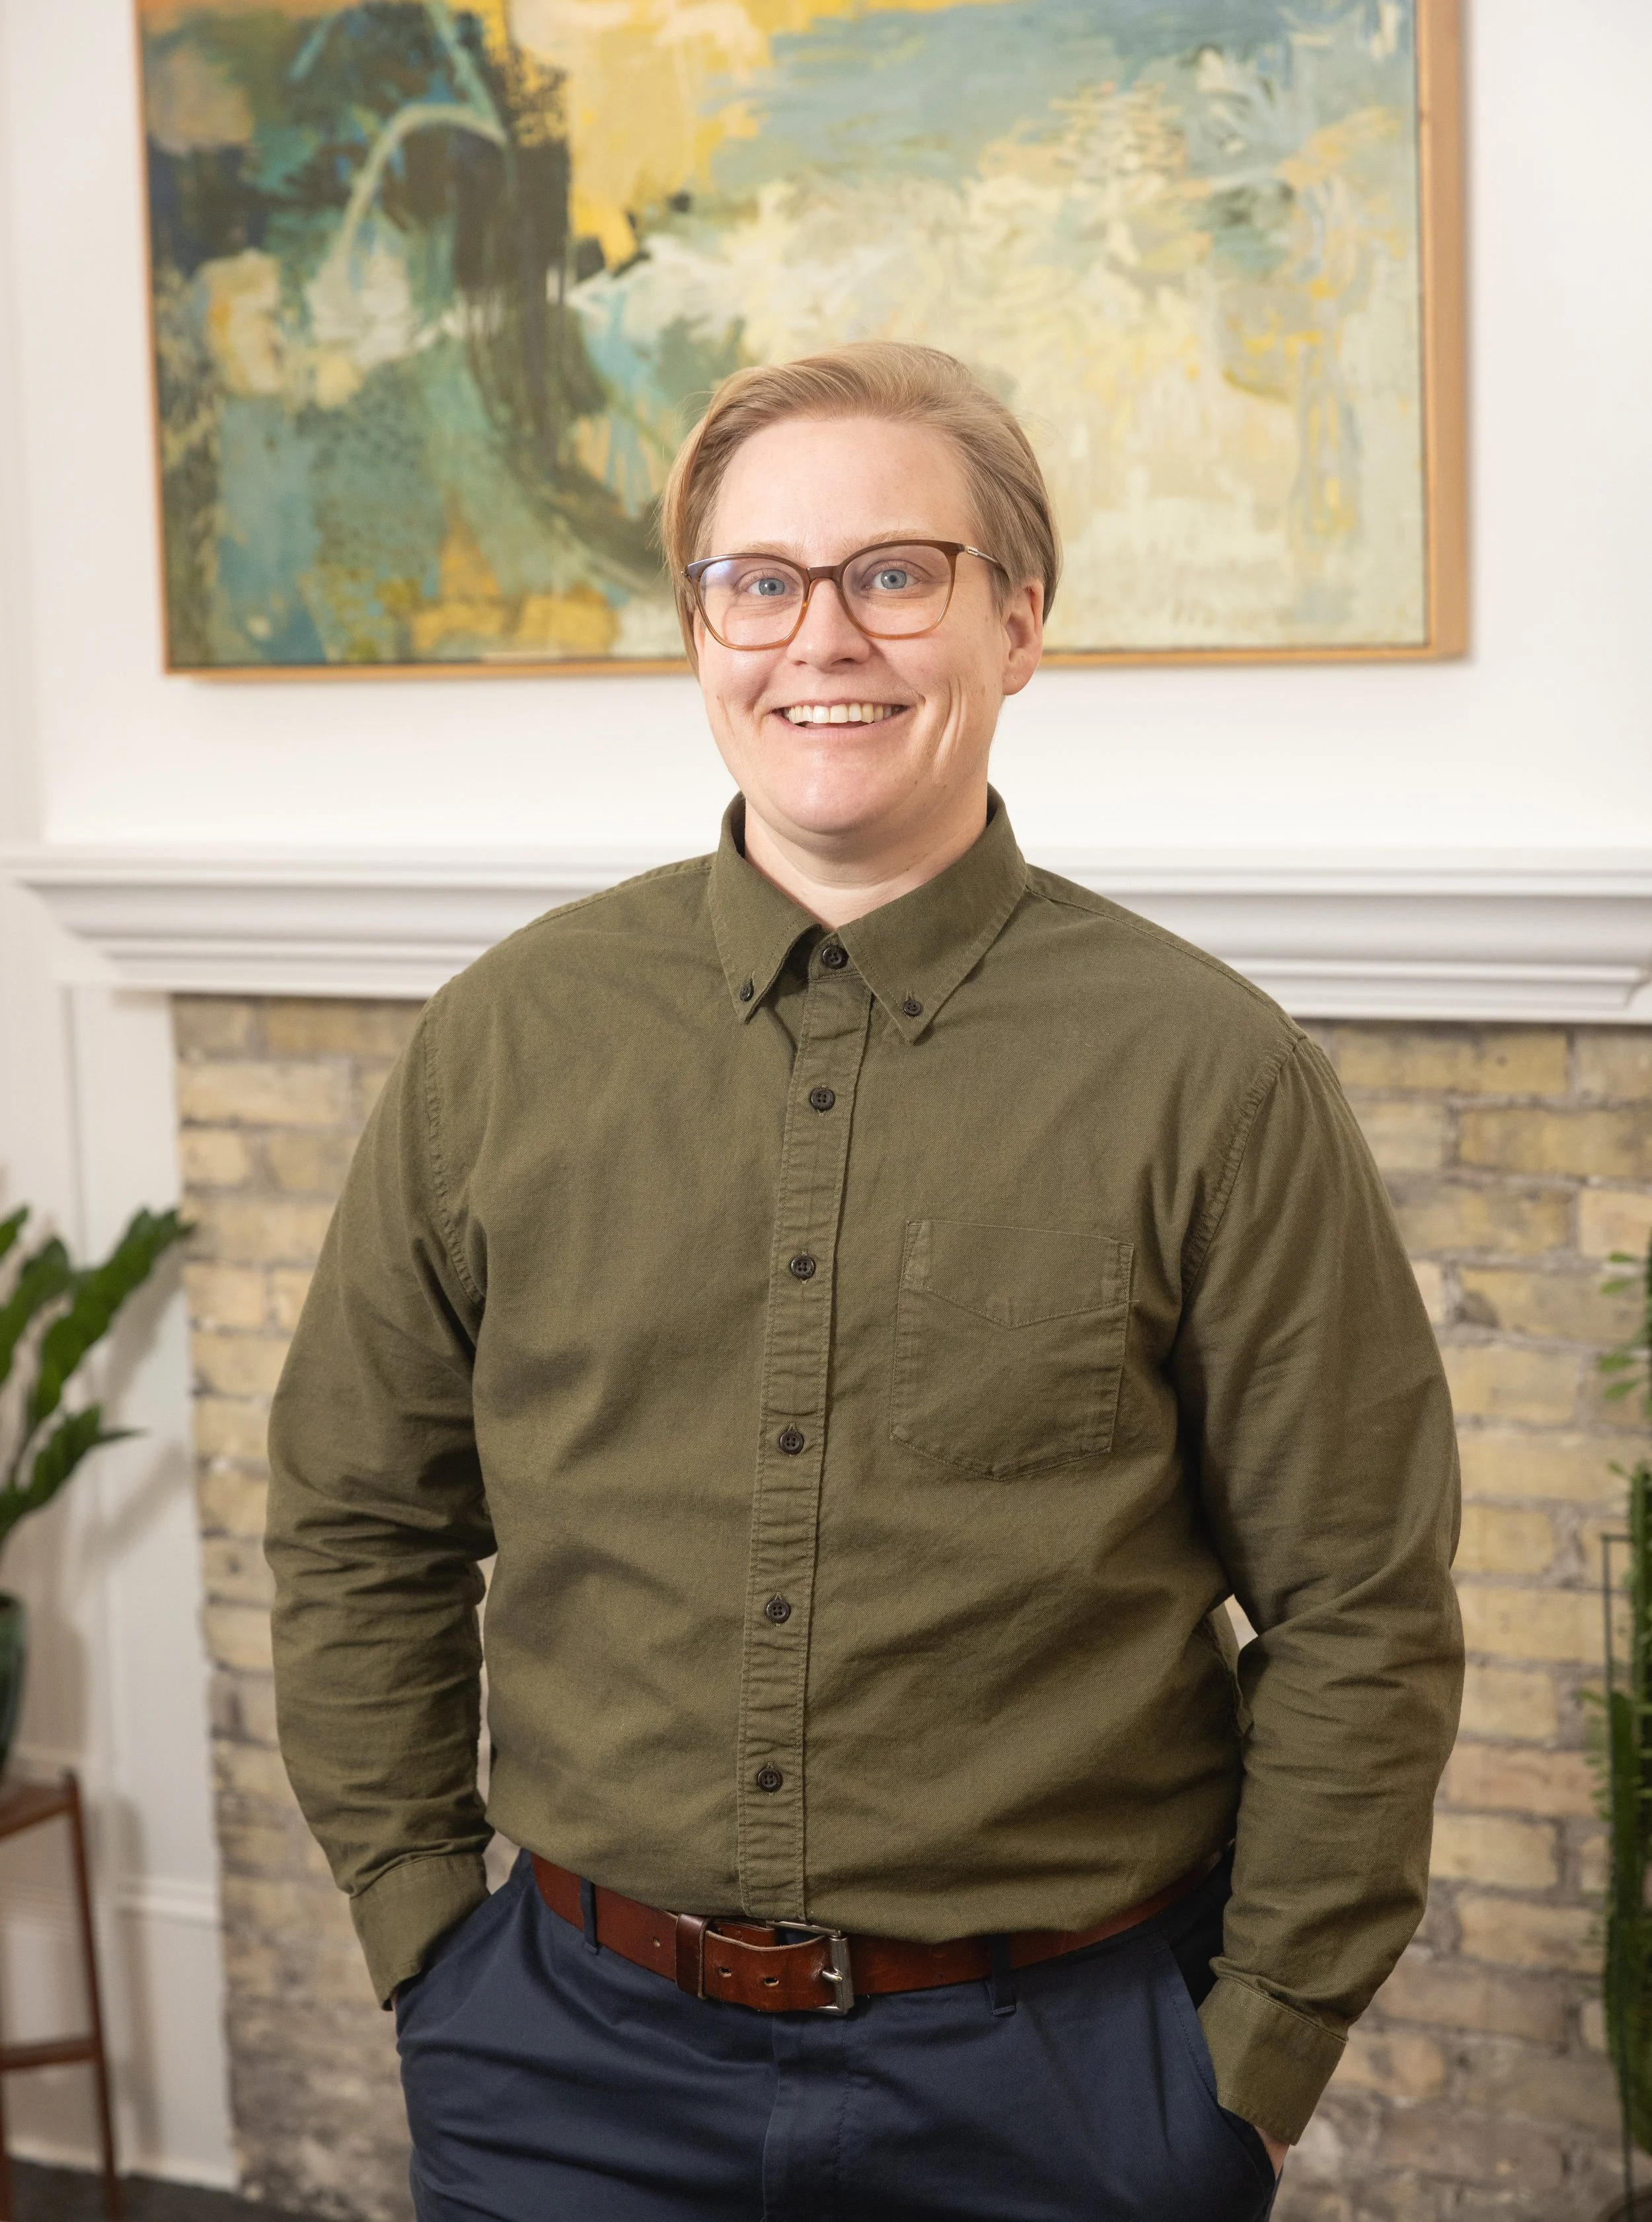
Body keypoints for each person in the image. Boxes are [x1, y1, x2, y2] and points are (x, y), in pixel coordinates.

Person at [266, 341, 1462, 2221]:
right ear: (701, 631)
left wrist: (1247, 2062)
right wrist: (426, 1936)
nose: (821, 639)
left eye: (895, 575)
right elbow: (359, 1520)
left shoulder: (1213, 1078)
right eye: (760, 582)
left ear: (1018, 621)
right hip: (563, 2069)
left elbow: (1361, 1601)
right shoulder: (502, 1041)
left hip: (1063, 2094)